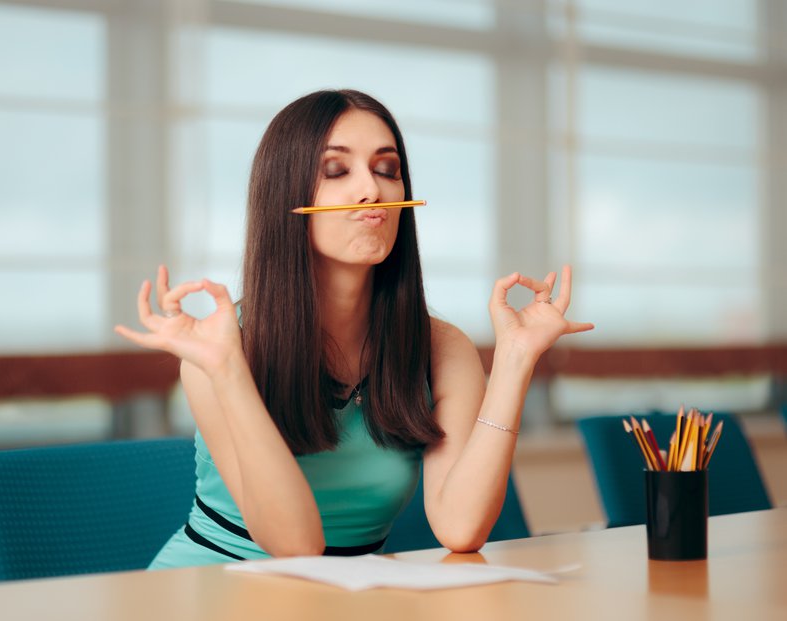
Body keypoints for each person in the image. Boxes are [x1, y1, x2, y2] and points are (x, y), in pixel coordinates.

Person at [115, 89, 593, 569]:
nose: (372, 191)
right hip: (215, 585)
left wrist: (516, 358)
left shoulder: (443, 349)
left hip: (351, 598)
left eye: (387, 170)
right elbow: (295, 546)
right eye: (337, 170)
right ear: (287, 196)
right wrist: (229, 370)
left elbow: (460, 527)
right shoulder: (219, 349)